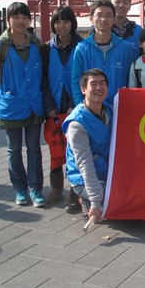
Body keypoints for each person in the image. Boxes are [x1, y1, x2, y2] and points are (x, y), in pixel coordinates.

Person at [0, 2, 46, 206]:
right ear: (8, 20)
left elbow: (44, 74)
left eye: (25, 17)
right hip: (10, 105)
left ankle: (35, 188)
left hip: (34, 104)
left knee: (34, 148)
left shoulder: (36, 44)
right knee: (13, 149)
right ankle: (20, 188)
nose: (21, 21)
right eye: (16, 17)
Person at [41, 6, 83, 205]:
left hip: (76, 105)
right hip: (54, 107)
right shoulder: (46, 49)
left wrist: (76, 103)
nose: (61, 26)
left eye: (66, 21)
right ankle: (57, 188)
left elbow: (85, 76)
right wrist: (49, 105)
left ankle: (75, 191)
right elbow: (42, 79)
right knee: (56, 147)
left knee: (76, 149)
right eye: (57, 22)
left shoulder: (82, 46)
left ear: (72, 23)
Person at [62, 69, 112, 223]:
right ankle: (85, 199)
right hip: (83, 176)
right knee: (108, 197)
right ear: (83, 89)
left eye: (102, 83)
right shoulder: (76, 123)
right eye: (93, 84)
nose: (99, 88)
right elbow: (85, 164)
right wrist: (95, 201)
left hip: (105, 170)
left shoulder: (109, 110)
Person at [70, 0, 139, 106]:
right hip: (91, 108)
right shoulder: (82, 48)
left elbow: (133, 81)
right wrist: (82, 107)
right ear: (91, 19)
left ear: (114, 19)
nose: (103, 19)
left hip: (120, 108)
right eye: (99, 15)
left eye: (108, 15)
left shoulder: (126, 48)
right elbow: (76, 81)